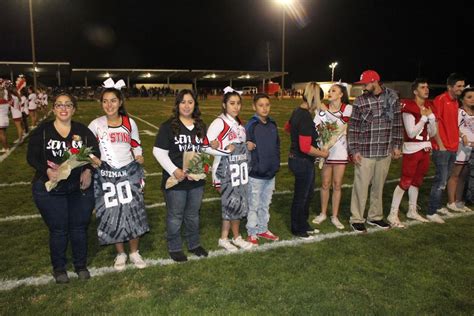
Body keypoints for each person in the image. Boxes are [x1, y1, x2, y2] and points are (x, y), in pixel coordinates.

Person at [27, 92, 100, 284]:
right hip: (50, 188)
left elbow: (94, 154)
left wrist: (87, 171)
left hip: (78, 188)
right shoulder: (43, 131)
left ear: (74, 109)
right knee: (59, 229)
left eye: (68, 105)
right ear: (53, 109)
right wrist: (46, 171)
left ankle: (80, 265)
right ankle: (59, 269)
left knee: (79, 227)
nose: (63, 108)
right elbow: (31, 157)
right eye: (59, 105)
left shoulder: (82, 131)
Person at [88, 79, 149, 271]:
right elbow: (85, 148)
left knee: (133, 212)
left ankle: (134, 252)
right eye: (105, 101)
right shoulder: (96, 124)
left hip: (128, 173)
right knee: (112, 213)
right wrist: (92, 158)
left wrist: (139, 156)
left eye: (113, 100)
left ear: (120, 102)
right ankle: (120, 253)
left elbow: (136, 143)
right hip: (106, 176)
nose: (109, 105)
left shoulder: (129, 122)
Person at [153, 89, 209, 262]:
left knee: (193, 214)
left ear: (195, 104)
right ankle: (175, 246)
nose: (186, 105)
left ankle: (194, 244)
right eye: (183, 102)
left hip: (195, 180)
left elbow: (204, 151)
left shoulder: (201, 125)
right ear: (177, 104)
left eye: (190, 102)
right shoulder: (168, 126)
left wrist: (200, 170)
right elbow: (158, 152)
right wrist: (174, 170)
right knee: (175, 215)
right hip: (175, 180)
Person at [348, 70, 403, 233]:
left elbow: (398, 123)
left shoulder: (393, 98)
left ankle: (375, 216)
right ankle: (356, 218)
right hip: (365, 150)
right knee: (361, 187)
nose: (364, 87)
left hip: (385, 149)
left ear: (375, 81)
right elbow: (353, 128)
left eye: (366, 83)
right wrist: (354, 149)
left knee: (379, 186)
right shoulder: (360, 101)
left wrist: (397, 145)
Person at [204, 87, 254, 252]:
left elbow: (239, 148)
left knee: (236, 203)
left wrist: (246, 146)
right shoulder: (219, 122)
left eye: (238, 103)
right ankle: (230, 237)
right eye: (232, 103)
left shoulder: (239, 124)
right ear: (224, 105)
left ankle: (230, 237)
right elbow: (205, 147)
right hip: (223, 172)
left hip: (238, 172)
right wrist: (225, 149)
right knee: (231, 204)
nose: (236, 107)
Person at [387, 79, 437, 228]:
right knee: (405, 181)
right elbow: (411, 132)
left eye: (427, 87)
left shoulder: (428, 106)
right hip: (412, 148)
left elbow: (432, 133)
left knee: (417, 181)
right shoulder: (409, 107)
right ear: (415, 91)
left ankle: (412, 210)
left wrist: (432, 118)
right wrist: (423, 118)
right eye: (423, 87)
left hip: (425, 148)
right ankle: (392, 213)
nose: (426, 89)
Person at [287, 82, 329, 239]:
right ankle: (297, 228)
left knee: (307, 194)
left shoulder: (297, 111)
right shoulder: (304, 116)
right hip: (302, 160)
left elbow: (287, 127)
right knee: (302, 195)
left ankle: (303, 224)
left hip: (298, 159)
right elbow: (305, 147)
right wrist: (322, 153)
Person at [312, 83, 352, 230]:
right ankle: (323, 213)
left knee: (337, 184)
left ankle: (334, 216)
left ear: (341, 94)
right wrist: (321, 137)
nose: (330, 92)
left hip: (340, 150)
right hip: (325, 150)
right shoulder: (322, 109)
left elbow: (342, 124)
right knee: (325, 184)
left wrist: (325, 113)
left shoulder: (347, 108)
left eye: (333, 90)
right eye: (330, 90)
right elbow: (315, 125)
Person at [427, 73, 466, 223]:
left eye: (462, 86)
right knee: (441, 180)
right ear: (450, 87)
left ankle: (437, 207)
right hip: (442, 148)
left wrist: (459, 136)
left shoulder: (455, 102)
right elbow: (434, 123)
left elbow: (452, 123)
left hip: (452, 146)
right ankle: (431, 211)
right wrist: (441, 144)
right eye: (459, 86)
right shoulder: (441, 100)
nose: (461, 89)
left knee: (446, 178)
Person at [245, 93, 280, 246]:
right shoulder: (251, 125)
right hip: (256, 174)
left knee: (265, 204)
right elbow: (244, 148)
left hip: (270, 173)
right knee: (254, 205)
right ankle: (252, 231)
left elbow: (277, 146)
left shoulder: (272, 124)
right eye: (261, 105)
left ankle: (263, 228)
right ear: (254, 107)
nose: (264, 108)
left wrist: (275, 165)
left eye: (267, 105)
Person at [446, 87, 474, 213]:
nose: (472, 99)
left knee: (463, 175)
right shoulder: (460, 112)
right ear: (462, 99)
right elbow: (454, 128)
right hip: (460, 148)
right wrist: (463, 137)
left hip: (470, 149)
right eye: (469, 97)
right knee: (455, 175)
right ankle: (451, 202)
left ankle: (459, 202)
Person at [0, 79, 10, 153]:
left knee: (2, 135)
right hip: (5, 118)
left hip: (1, 119)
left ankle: (5, 148)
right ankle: (6, 147)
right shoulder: (6, 101)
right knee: (4, 134)